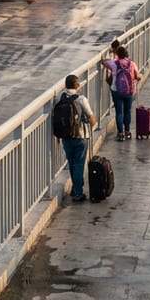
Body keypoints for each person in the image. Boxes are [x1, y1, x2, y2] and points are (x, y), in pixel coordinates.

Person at [58, 74, 96, 203]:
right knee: (79, 164)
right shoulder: (81, 99)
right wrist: (92, 123)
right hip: (80, 136)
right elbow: (91, 118)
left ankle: (76, 188)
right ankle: (78, 193)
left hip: (66, 136)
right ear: (77, 85)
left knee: (72, 163)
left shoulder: (60, 98)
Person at [103, 46, 141, 140]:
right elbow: (137, 76)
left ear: (117, 54)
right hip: (129, 91)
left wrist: (103, 56)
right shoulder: (132, 64)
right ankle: (127, 131)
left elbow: (104, 62)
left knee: (119, 112)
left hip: (117, 91)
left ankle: (120, 133)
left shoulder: (114, 64)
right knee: (127, 111)